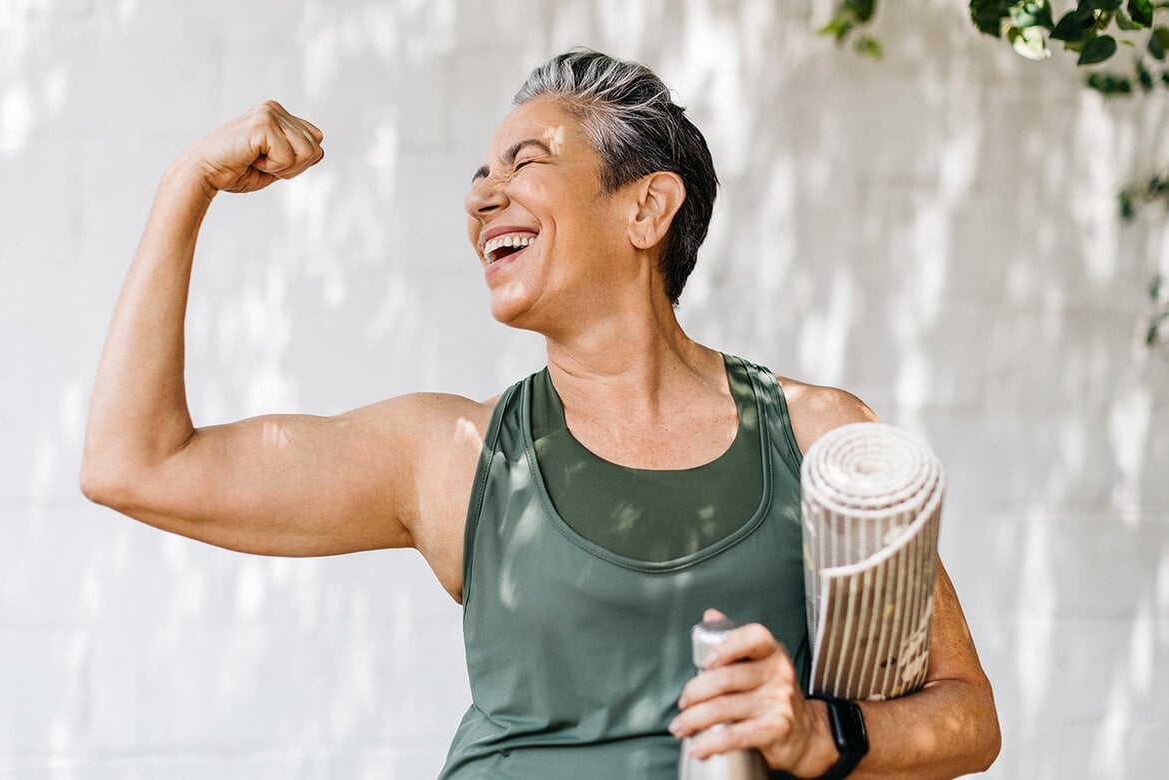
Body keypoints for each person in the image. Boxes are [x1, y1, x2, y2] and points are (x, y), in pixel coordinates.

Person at [81, 48, 1001, 779]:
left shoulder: (818, 435)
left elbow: (965, 715)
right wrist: (185, 184)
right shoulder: (452, 454)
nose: (484, 194)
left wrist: (816, 734)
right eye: (481, 174)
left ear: (647, 207)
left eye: (527, 161)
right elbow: (133, 464)